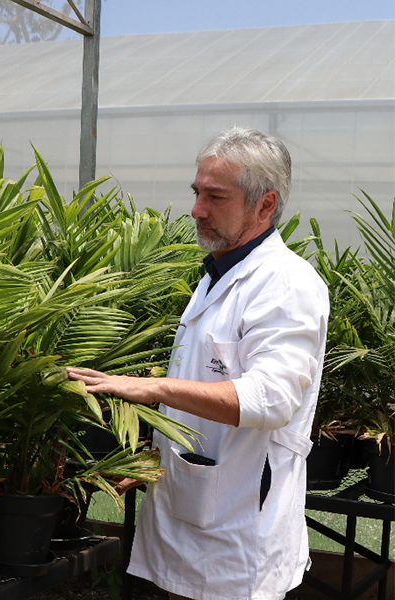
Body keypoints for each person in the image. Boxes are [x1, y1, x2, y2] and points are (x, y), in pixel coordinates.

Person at [67, 126, 329, 600]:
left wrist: (152, 389)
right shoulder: (218, 273)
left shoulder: (286, 285)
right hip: (190, 507)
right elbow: (201, 386)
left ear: (264, 205)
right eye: (197, 193)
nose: (197, 209)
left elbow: (271, 400)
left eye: (215, 196)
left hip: (238, 529)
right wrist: (155, 456)